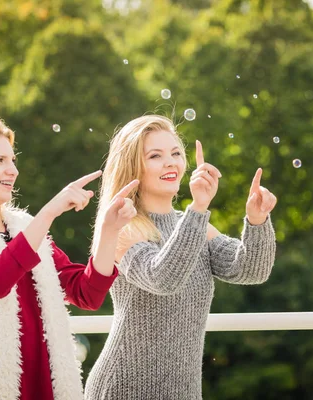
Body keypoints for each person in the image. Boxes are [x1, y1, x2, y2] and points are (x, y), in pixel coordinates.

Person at [0, 115, 138, 400]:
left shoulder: (25, 228)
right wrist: (50, 212)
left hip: (46, 389)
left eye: (12, 160)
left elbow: (86, 293)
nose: (13, 170)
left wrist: (109, 231)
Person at [83, 115, 277, 399]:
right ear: (133, 166)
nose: (171, 162)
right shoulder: (122, 228)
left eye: (175, 153)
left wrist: (257, 220)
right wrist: (198, 208)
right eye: (155, 156)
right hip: (123, 389)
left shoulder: (192, 224)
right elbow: (164, 278)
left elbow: (250, 270)